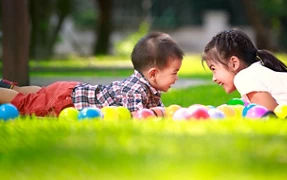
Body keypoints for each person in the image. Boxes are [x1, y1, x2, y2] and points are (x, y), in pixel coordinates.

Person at [0, 32, 184, 117]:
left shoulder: (151, 88)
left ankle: (9, 86)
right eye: (174, 73)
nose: (176, 78)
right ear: (153, 74)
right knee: (26, 104)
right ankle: (6, 92)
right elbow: (138, 117)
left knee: (41, 93)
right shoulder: (135, 90)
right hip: (66, 101)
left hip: (70, 91)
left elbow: (163, 111)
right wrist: (160, 114)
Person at [202, 29, 287, 111]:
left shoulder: (243, 77)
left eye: (214, 69)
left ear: (234, 63)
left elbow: (269, 113)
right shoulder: (256, 71)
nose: (214, 78)